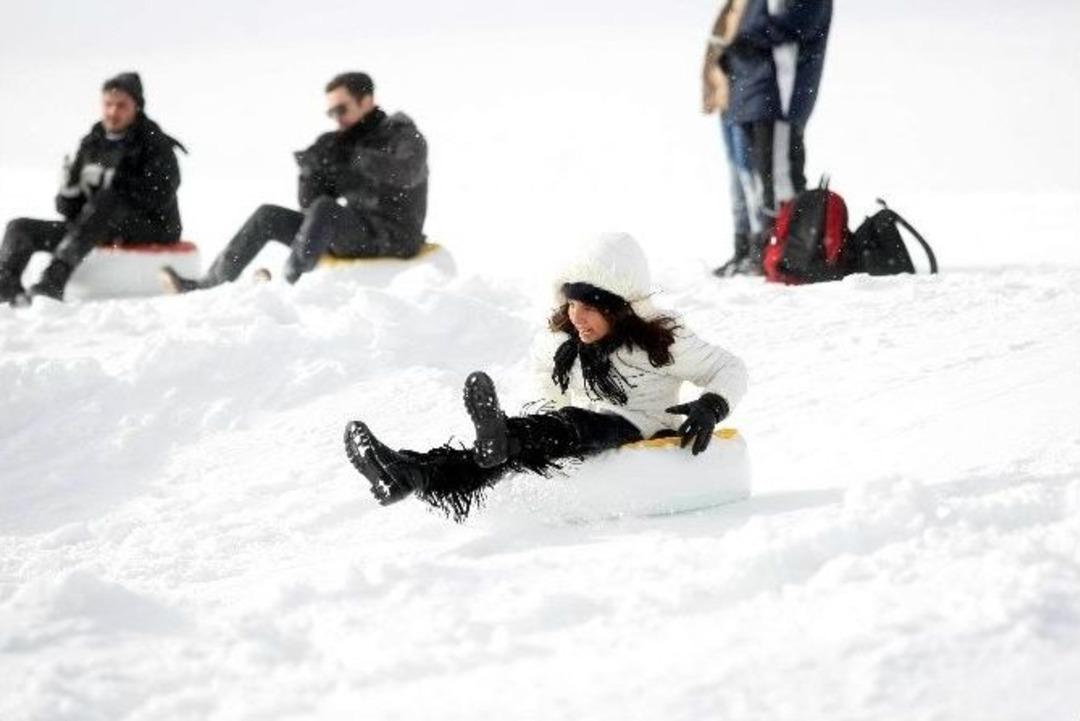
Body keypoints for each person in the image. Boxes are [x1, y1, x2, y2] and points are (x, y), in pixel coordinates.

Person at [344, 233, 749, 522]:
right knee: (501, 454)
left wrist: (711, 405)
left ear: (619, 307)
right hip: (577, 426)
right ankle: (410, 474)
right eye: (572, 304)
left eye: (590, 307)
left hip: (642, 426)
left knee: (557, 429)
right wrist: (550, 422)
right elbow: (546, 381)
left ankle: (506, 438)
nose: (577, 317)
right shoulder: (562, 341)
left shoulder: (659, 339)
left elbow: (729, 368)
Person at [160, 72, 428, 293]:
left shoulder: (402, 135)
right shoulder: (342, 143)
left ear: (367, 100)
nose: (336, 118)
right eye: (331, 113)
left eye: (342, 109)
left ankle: (289, 285)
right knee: (268, 216)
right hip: (355, 230)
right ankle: (208, 285)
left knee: (326, 209)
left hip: (395, 236)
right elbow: (310, 209)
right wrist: (312, 172)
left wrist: (353, 159)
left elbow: (408, 173)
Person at [0, 73, 185, 304]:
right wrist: (69, 190)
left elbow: (161, 193)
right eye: (108, 104)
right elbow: (71, 211)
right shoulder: (92, 143)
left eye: (121, 105)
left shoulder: (154, 143)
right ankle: (6, 289)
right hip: (93, 226)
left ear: (136, 107)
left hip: (152, 227)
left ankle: (53, 281)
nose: (113, 112)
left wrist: (116, 185)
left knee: (106, 202)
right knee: (19, 228)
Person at [710, 0, 832, 274]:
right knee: (754, 180)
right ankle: (760, 251)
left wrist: (741, 39)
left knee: (780, 179)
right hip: (749, 92)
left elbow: (794, 24)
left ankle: (790, 252)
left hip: (778, 97)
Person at [702, 0, 756, 277]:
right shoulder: (733, 4)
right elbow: (718, 47)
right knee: (736, 176)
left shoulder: (756, 6)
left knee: (749, 176)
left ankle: (757, 251)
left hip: (746, 97)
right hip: (727, 96)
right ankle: (742, 249)